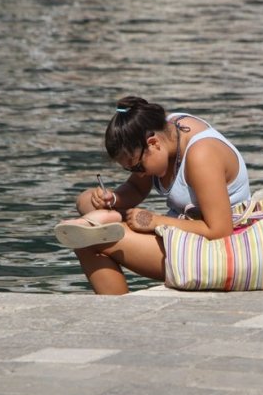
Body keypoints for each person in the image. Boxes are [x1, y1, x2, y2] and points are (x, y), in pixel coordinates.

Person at [55, 96, 251, 294]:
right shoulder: (163, 131)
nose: (139, 174)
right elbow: (137, 188)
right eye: (129, 169)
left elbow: (220, 231)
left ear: (153, 143)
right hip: (188, 233)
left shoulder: (202, 156)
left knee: (87, 241)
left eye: (137, 166)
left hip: (221, 252)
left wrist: (155, 221)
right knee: (86, 201)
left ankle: (118, 309)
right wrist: (112, 199)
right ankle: (101, 219)